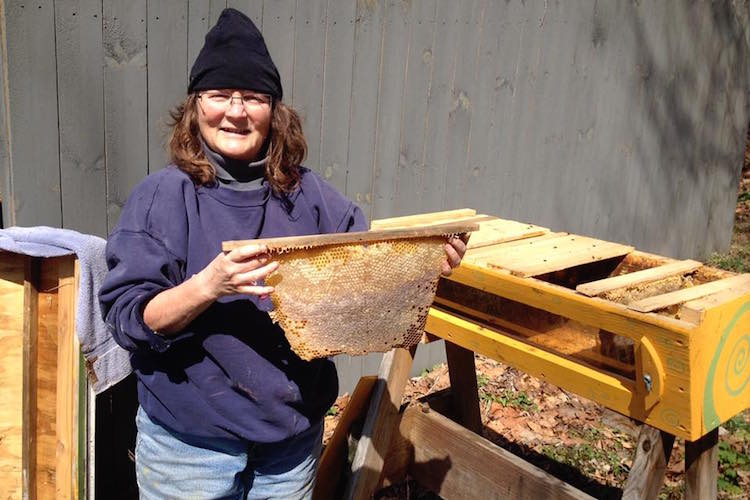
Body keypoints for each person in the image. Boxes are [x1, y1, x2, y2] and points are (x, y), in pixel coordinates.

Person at [99, 8, 467, 499]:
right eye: (219, 95)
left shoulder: (307, 194)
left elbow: (367, 274)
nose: (235, 111)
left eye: (252, 97)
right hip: (189, 452)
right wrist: (209, 286)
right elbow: (128, 319)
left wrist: (423, 267)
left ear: (274, 110)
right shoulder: (162, 197)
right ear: (195, 105)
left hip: (290, 447)